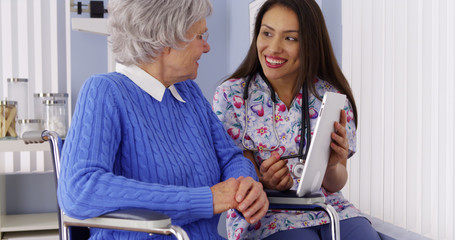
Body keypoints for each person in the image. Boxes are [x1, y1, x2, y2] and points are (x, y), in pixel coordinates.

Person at [57, 0, 269, 239]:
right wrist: (205, 200)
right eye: (200, 36)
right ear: (166, 39)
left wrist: (244, 187)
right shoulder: (105, 92)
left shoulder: (189, 92)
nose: (207, 47)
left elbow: (230, 158)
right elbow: (79, 189)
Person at [212, 0, 381, 239]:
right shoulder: (232, 96)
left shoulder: (330, 96)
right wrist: (263, 181)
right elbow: (238, 175)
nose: (273, 47)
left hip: (329, 210)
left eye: (290, 38)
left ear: (310, 44)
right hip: (269, 215)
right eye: (267, 33)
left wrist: (333, 164)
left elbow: (336, 183)